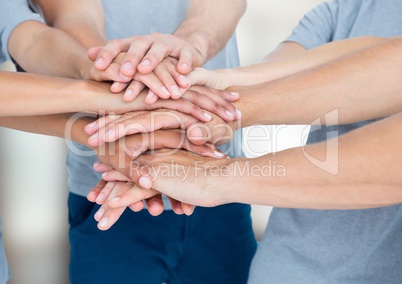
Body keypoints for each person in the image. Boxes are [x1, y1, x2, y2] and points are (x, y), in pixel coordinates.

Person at [90, 1, 402, 283]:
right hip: (282, 268)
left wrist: (213, 175)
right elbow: (308, 68)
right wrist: (217, 96)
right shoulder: (348, 9)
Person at [0, 0, 257, 283]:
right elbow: (63, 17)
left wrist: (183, 52)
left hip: (216, 173)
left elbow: (31, 37)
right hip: (110, 183)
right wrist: (114, 71)